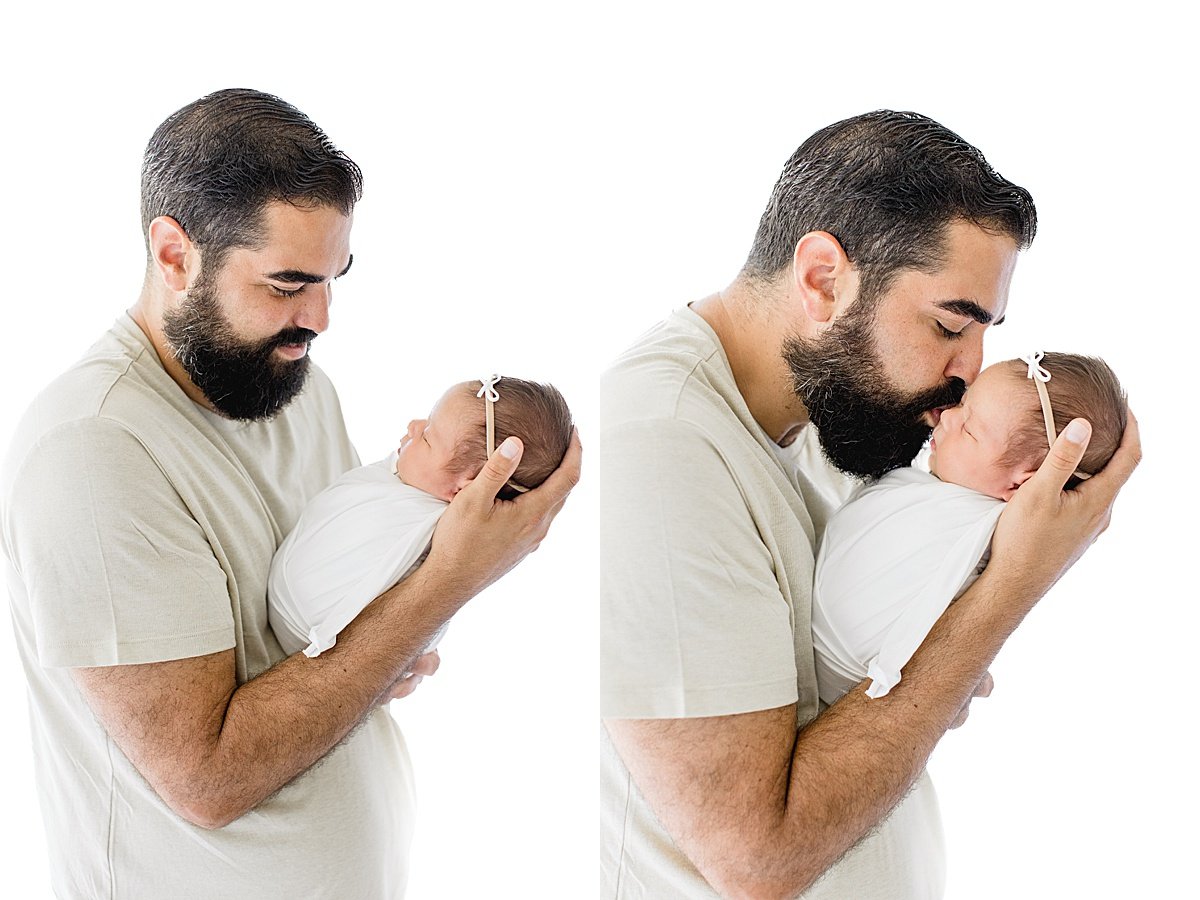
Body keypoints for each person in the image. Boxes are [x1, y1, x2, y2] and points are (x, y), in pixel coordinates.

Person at [0, 89, 580, 899]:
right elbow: (206, 777)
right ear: (173, 254)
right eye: (286, 284)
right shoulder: (93, 451)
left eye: (335, 279)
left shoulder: (295, 386)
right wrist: (449, 582)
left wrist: (392, 641)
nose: (321, 317)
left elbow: (343, 623)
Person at [599, 110, 1139, 899]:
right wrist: (1011, 587)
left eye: (987, 332)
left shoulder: (837, 425)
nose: (969, 372)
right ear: (823, 278)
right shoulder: (660, 443)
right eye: (951, 323)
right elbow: (758, 857)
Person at [813, 352, 1127, 705]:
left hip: (846, 677)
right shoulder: (927, 492)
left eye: (970, 430)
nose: (946, 416)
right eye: (963, 403)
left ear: (1023, 486)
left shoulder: (997, 536)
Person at [269, 375, 573, 659]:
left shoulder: (444, 537)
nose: (414, 426)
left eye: (427, 437)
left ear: (467, 487)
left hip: (310, 630)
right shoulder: (401, 486)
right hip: (300, 623)